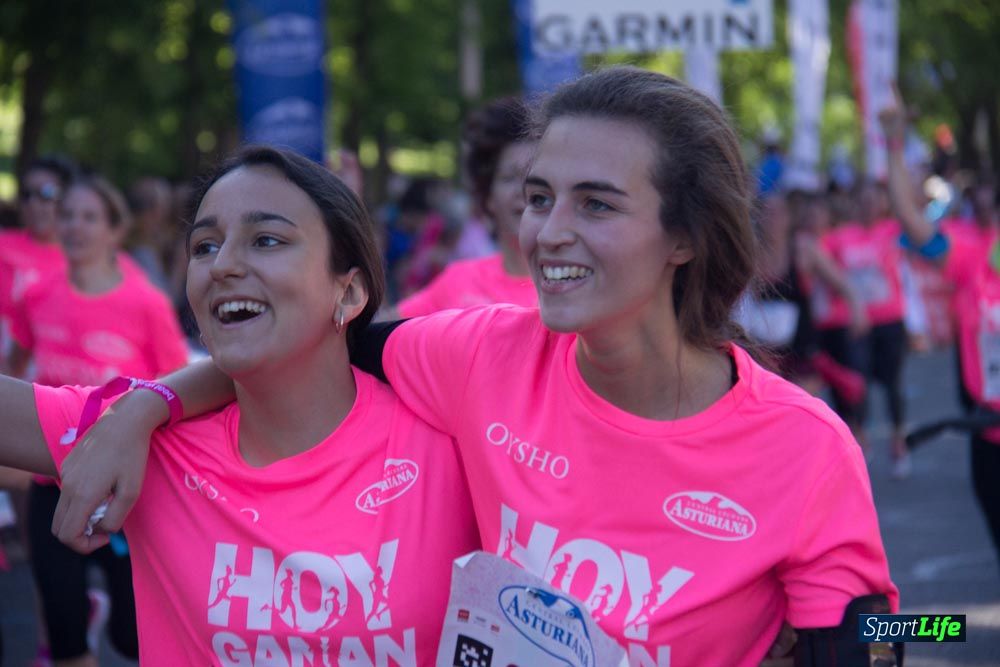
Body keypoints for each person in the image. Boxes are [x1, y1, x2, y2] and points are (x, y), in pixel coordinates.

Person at [52, 69, 897, 666]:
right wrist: (145, 407)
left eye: (595, 203)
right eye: (538, 197)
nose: (548, 231)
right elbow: (306, 335)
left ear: (685, 236)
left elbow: (905, 637)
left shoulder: (805, 447)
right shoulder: (481, 354)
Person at [0, 146, 479, 664]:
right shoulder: (144, 442)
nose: (222, 265)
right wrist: (142, 408)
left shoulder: (451, 443)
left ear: (349, 292)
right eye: (204, 246)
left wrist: (150, 402)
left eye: (266, 240)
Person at [4, 174, 190, 667]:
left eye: (89, 217)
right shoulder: (38, 293)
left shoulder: (145, 303)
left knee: (134, 638)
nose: (74, 227)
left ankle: (105, 610)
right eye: (67, 215)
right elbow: (17, 363)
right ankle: (78, 621)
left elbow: (181, 386)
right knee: (64, 634)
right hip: (53, 480)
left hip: (124, 487)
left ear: (114, 230)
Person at [879, 91, 1000, 573]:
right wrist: (892, 144)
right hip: (987, 431)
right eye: (983, 203)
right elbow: (909, 218)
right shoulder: (973, 256)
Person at [396, 97, 536, 316]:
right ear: (488, 195)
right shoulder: (458, 281)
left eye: (536, 177)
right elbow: (381, 335)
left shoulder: (576, 290)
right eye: (510, 177)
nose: (526, 190)